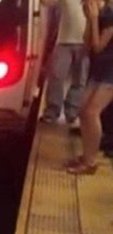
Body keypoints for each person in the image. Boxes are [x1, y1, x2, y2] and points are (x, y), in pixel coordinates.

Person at [66, 0, 113, 174]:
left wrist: (93, 19)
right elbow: (87, 46)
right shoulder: (100, 13)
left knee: (92, 112)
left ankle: (90, 162)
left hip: (110, 71)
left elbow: (98, 47)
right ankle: (86, 155)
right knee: (83, 110)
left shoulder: (110, 13)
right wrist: (89, 19)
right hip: (100, 68)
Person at [40, 0, 90, 128]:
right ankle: (52, 111)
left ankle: (72, 112)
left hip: (86, 41)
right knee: (56, 75)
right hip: (63, 41)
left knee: (80, 80)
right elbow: (46, 2)